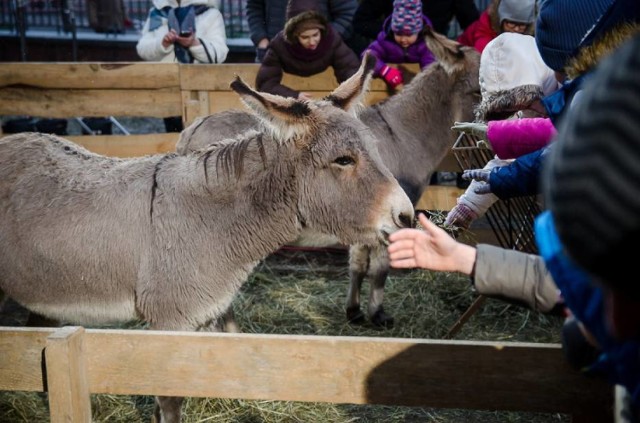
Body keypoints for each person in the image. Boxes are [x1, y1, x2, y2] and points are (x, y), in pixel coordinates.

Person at [388, 21, 640, 423]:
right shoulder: (566, 116)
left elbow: (530, 163)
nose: (521, 116)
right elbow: (566, 284)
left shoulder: (584, 119)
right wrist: (462, 248)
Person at [444, 32, 559, 229]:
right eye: (511, 109)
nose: (523, 111)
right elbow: (508, 161)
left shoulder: (572, 98)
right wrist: (468, 205)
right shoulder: (530, 109)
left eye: (527, 103)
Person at [136, 0, 229, 132]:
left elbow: (219, 54)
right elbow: (142, 49)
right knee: (173, 137)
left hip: (200, 91)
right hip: (168, 88)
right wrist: (163, 43)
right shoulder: (157, 13)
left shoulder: (211, 14)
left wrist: (194, 44)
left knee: (201, 138)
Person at [255, 0, 360, 100]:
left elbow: (351, 73)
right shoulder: (279, 45)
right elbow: (265, 83)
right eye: (305, 37)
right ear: (294, 36)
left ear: (321, 30)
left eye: (315, 35)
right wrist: (293, 95)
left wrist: (340, 97)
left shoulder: (332, 40)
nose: (312, 42)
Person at [350, 0, 479, 55]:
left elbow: (473, 26)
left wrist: (451, 47)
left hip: (434, 55)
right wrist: (394, 31)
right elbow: (361, 21)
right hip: (393, 57)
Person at [246, 0, 357, 63]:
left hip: (320, 59)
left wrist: (321, 41)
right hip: (273, 55)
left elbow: (348, 15)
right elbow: (254, 7)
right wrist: (262, 41)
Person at [362, 0, 435, 91]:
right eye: (399, 34)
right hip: (385, 91)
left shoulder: (425, 46)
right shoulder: (385, 42)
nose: (403, 39)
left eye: (409, 35)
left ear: (418, 32)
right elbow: (368, 56)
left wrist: (427, 80)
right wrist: (384, 70)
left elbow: (430, 65)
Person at [457, 0, 536, 53]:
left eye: (522, 24)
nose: (516, 29)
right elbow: (483, 61)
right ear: (500, 19)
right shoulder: (484, 29)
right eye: (511, 24)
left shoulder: (531, 36)